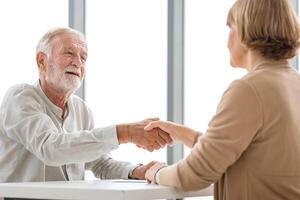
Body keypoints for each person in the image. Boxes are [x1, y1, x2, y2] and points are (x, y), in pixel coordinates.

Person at [145, 0, 300, 199]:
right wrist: (181, 133)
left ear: (246, 31)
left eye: (231, 29)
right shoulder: (292, 83)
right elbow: (251, 152)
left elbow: (195, 174)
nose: (227, 42)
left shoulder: (249, 89)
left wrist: (155, 172)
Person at [0, 27, 172, 184]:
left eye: (83, 58)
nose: (78, 63)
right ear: (41, 61)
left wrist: (136, 171)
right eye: (69, 53)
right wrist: (125, 133)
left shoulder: (82, 110)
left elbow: (98, 162)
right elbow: (50, 148)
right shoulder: (20, 97)